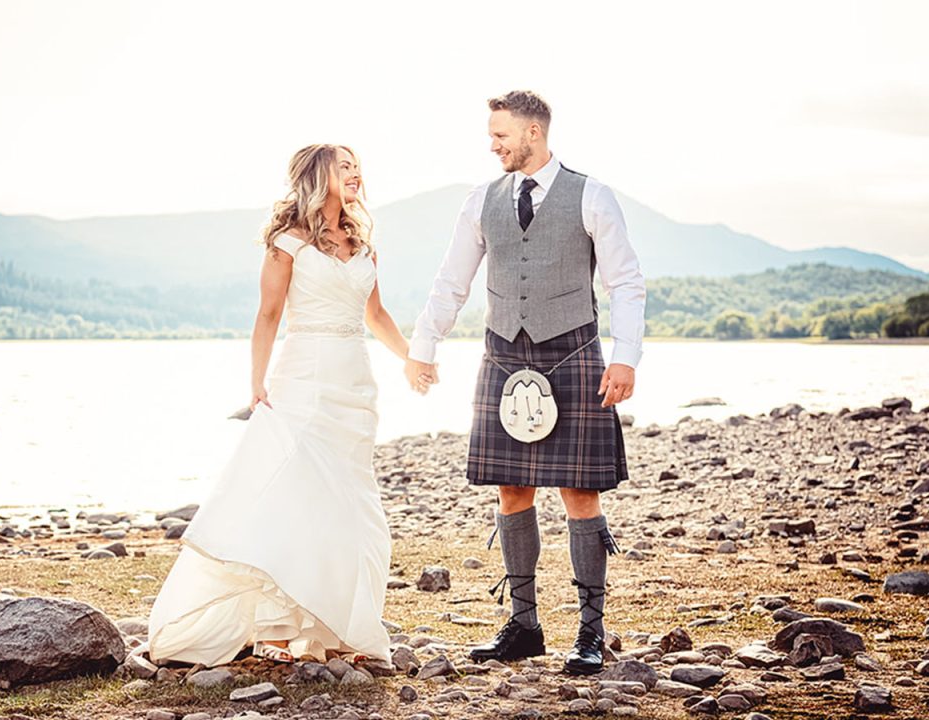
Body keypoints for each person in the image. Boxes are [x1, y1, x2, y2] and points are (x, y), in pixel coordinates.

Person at [405, 91, 646, 676]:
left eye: (501, 134)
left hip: (575, 353)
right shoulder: (481, 200)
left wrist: (626, 358)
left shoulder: (591, 194)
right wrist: (423, 344)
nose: (493, 144)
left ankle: (591, 631)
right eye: (492, 135)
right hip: (503, 354)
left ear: (534, 132)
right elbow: (451, 281)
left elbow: (626, 282)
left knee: (578, 492)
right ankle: (524, 625)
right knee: (509, 489)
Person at [148, 144, 411, 668]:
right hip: (304, 378)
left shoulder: (363, 245)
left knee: (347, 504)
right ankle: (274, 625)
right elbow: (268, 315)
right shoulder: (286, 243)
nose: (356, 174)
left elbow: (376, 315)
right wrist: (257, 385)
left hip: (355, 384)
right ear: (319, 177)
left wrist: (413, 359)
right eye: (345, 167)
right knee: (293, 493)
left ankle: (329, 626)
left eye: (358, 167)